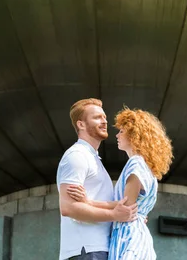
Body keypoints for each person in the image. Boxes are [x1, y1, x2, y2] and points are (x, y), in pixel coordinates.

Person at [67, 107, 173, 260]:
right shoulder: (146, 168)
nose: (116, 135)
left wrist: (88, 202)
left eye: (122, 131)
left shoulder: (135, 164)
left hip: (129, 239)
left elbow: (125, 207)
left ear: (135, 135)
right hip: (134, 237)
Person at [57, 99, 138, 260]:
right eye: (97, 117)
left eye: (105, 117)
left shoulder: (93, 158)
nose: (105, 121)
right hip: (86, 250)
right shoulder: (77, 155)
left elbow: (102, 203)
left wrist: (132, 213)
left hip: (98, 249)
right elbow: (68, 208)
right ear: (81, 125)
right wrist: (115, 215)